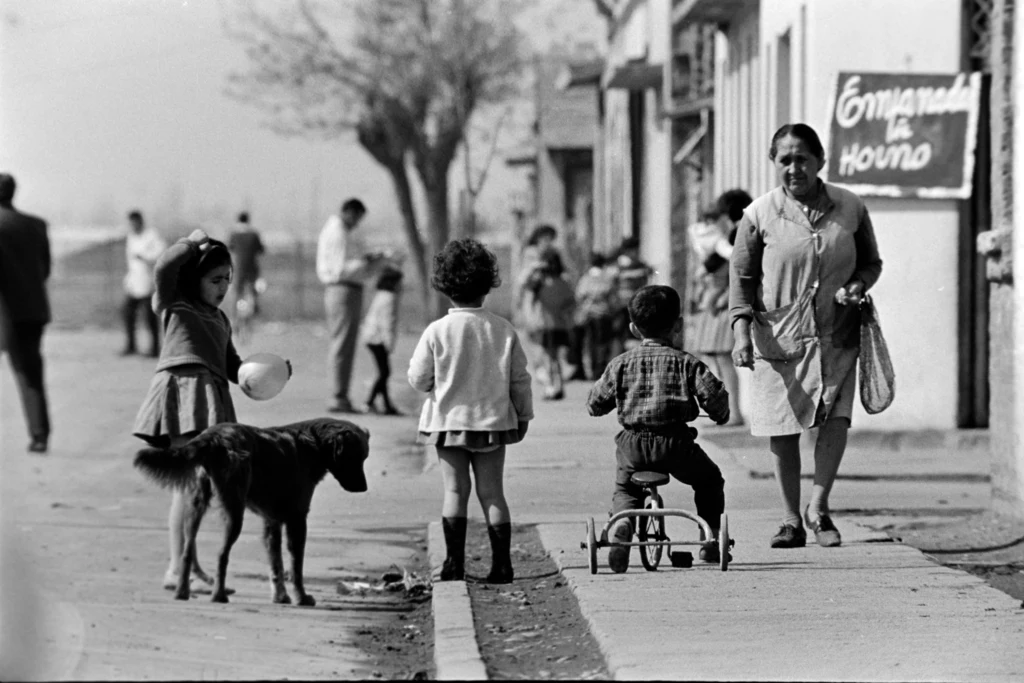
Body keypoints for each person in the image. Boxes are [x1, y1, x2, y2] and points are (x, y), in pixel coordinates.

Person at [730, 123, 883, 549]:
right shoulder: (759, 214)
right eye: (785, 160)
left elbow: (871, 262)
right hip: (781, 337)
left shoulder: (850, 207)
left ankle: (820, 507)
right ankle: (790, 519)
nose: (794, 168)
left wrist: (858, 285)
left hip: (838, 333)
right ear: (773, 163)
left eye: (803, 159)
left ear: (820, 162)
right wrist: (741, 333)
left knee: (835, 419)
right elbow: (741, 280)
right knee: (784, 427)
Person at [408, 238, 533, 584]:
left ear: (444, 287)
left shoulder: (437, 330)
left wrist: (436, 385)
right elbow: (520, 380)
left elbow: (419, 378)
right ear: (487, 285)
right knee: (492, 493)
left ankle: (453, 565)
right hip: (492, 423)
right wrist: (522, 416)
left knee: (454, 491)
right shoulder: (503, 329)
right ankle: (502, 566)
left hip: (448, 423)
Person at [586, 285, 731, 573]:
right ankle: (710, 538)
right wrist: (721, 414)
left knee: (626, 488)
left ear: (633, 328)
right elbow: (714, 396)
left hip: (634, 445)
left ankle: (623, 522)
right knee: (710, 481)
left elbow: (595, 404)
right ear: (677, 326)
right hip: (676, 445)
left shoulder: (620, 364)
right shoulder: (687, 363)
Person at [132, 228, 242, 593]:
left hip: (212, 399)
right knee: (190, 484)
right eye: (215, 279)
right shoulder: (174, 305)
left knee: (200, 488)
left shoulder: (222, 319)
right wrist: (192, 244)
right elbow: (163, 268)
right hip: (182, 395)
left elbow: (234, 367)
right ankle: (176, 568)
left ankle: (188, 566)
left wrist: (267, 374)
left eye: (227, 279)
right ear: (194, 278)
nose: (223, 286)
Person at [687, 191, 753, 426]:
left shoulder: (736, 236)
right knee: (715, 360)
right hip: (715, 304)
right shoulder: (725, 238)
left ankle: (734, 412)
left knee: (723, 360)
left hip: (724, 305)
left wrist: (720, 295)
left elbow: (736, 270)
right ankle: (728, 411)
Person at [0, 173, 52, 453]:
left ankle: (39, 434)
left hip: (6, 313)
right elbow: (44, 270)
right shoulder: (36, 225)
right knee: (31, 373)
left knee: (26, 372)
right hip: (33, 310)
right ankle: (39, 433)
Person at [317, 198, 378, 414]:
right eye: (357, 217)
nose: (357, 223)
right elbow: (339, 268)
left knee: (345, 343)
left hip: (347, 288)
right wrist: (368, 263)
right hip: (341, 288)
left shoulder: (340, 231)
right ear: (348, 212)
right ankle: (338, 395)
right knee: (342, 343)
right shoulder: (337, 232)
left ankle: (341, 393)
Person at [519, 248, 575, 400]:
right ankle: (557, 385)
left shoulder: (543, 281)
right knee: (553, 357)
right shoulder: (560, 280)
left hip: (549, 324)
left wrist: (534, 268)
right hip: (555, 324)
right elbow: (571, 302)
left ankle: (552, 386)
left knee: (550, 357)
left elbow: (525, 286)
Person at [360, 261, 403, 415]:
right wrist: (389, 343)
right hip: (377, 338)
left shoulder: (381, 294)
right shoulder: (389, 298)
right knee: (384, 372)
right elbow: (387, 322)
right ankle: (369, 402)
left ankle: (387, 405)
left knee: (383, 372)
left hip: (370, 336)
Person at [121, 210, 165, 357]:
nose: (132, 226)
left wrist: (145, 257)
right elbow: (130, 262)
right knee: (127, 314)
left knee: (149, 317)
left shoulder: (151, 235)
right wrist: (128, 280)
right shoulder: (131, 238)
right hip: (134, 282)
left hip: (148, 283)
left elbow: (161, 252)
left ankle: (154, 348)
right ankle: (131, 345)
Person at [574, 252, 619, 380]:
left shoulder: (586, 278)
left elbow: (579, 295)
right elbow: (613, 297)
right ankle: (599, 369)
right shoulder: (607, 278)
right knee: (602, 343)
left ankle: (592, 368)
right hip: (604, 314)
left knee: (590, 343)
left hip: (588, 314)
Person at [611, 236, 653, 353]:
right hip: (623, 305)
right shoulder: (619, 265)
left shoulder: (639, 264)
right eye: (635, 249)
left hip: (637, 303)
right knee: (624, 334)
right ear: (628, 250)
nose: (636, 252)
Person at [227, 211, 265, 330]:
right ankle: (254, 312)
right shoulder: (254, 234)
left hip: (238, 269)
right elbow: (261, 250)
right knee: (253, 292)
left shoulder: (234, 234)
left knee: (237, 293)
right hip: (252, 269)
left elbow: (230, 248)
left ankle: (234, 320)